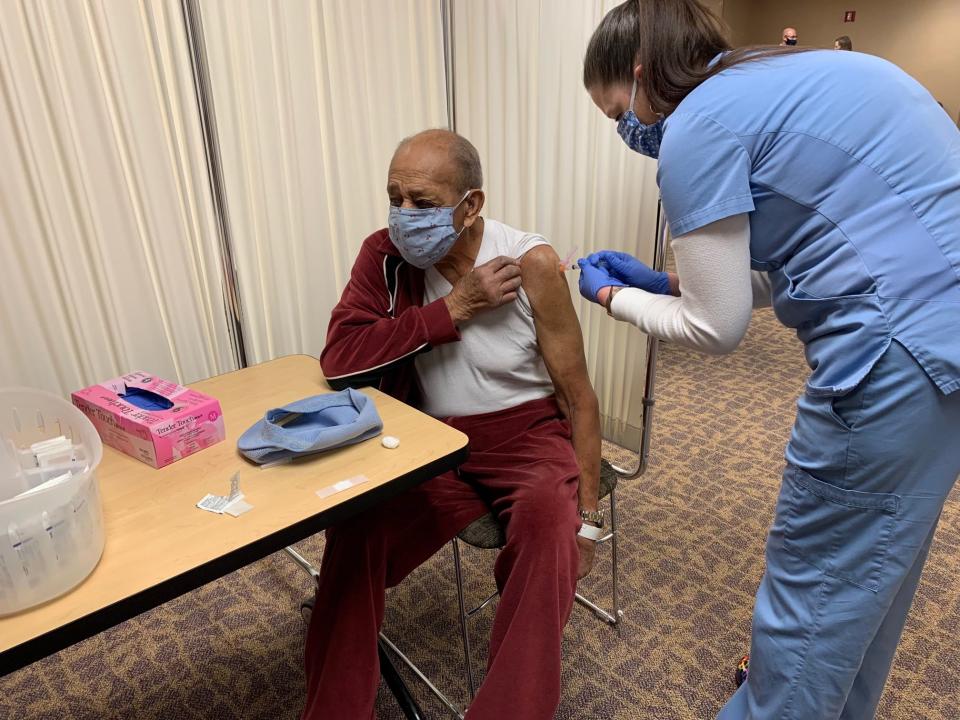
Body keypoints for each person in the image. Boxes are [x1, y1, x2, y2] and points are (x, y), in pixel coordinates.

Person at [580, 2, 960, 719]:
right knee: (871, 577)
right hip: (944, 346)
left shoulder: (697, 125)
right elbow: (812, 253)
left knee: (812, 602)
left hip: (892, 358)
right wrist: (668, 281)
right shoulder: (798, 74)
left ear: (638, 74)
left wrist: (611, 300)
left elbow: (714, 327)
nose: (627, 131)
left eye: (615, 113)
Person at [302, 129, 602, 719]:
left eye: (423, 202)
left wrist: (588, 523)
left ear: (471, 206)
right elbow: (340, 359)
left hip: (527, 434)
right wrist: (455, 307)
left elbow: (577, 396)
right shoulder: (384, 255)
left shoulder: (531, 263)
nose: (404, 216)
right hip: (430, 439)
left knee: (549, 533)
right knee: (355, 531)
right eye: (395, 198)